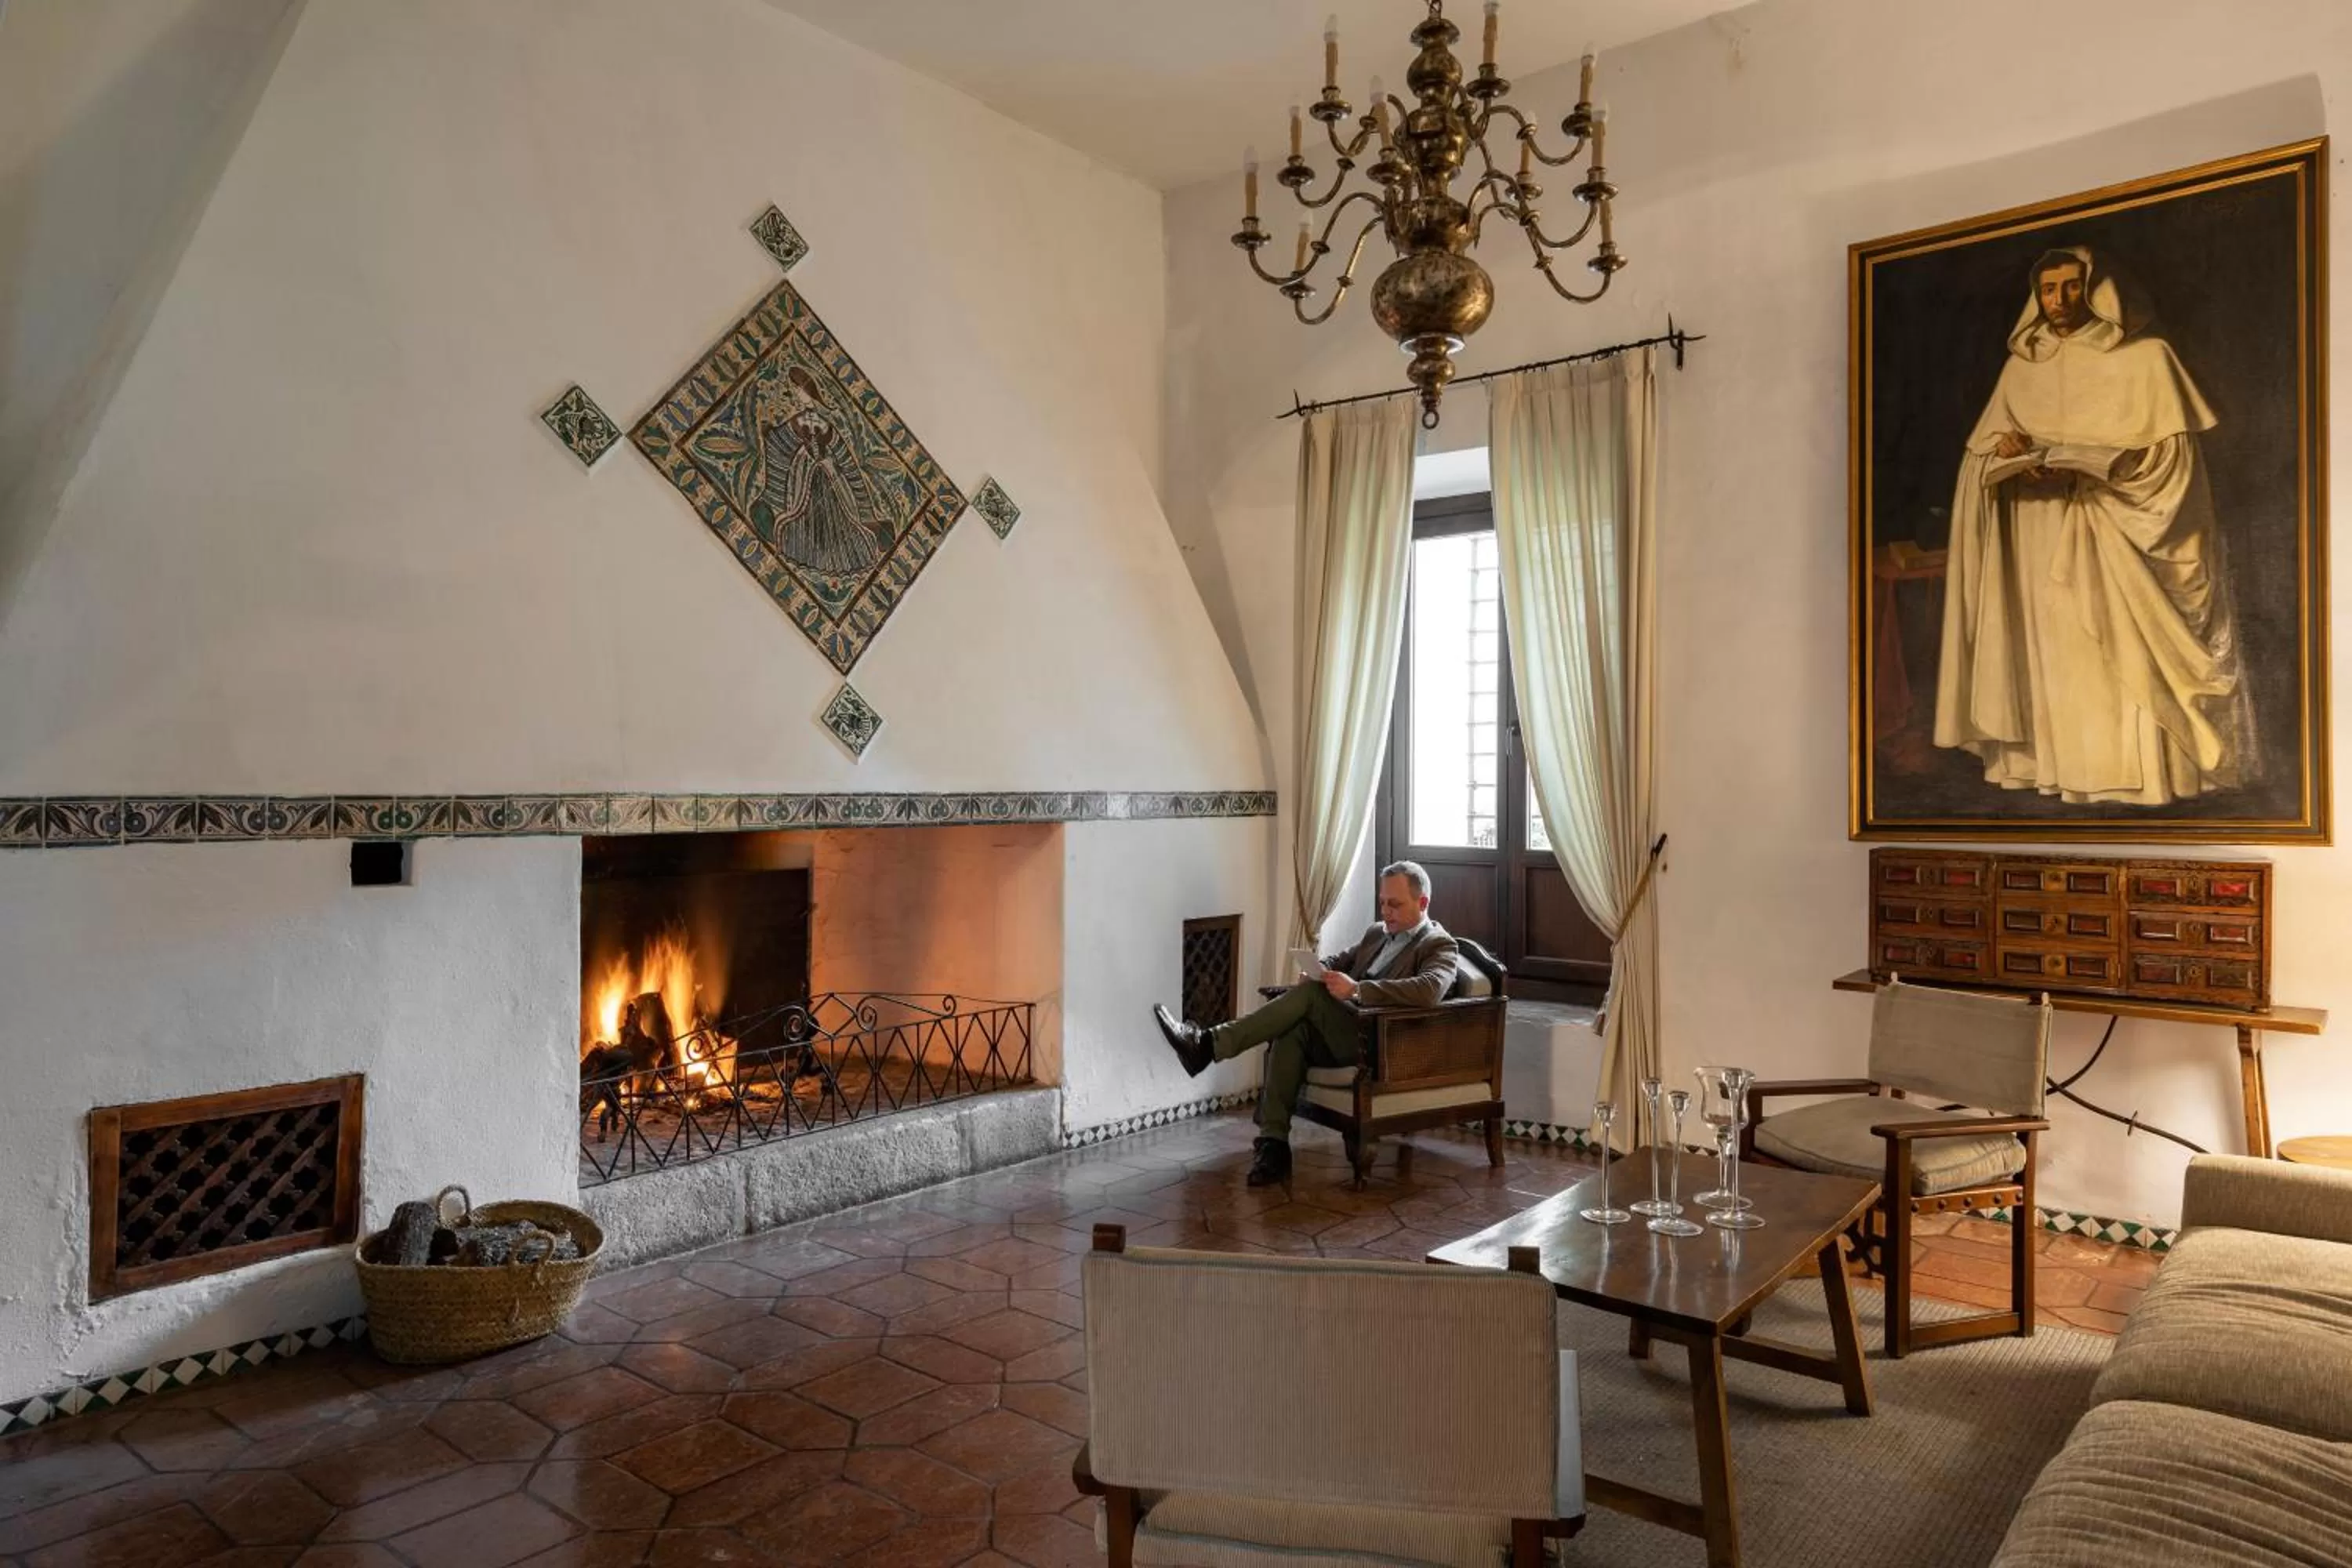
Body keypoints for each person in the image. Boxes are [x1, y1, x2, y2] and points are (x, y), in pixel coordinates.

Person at [1933, 245, 2253, 807]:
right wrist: (2002, 452)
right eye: (2049, 289)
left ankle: (2145, 779)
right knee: (2059, 659)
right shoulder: (2021, 369)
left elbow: (2175, 466)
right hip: (2039, 534)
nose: (2059, 300)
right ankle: (2062, 769)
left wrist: (2102, 471)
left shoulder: (2149, 358)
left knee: (2114, 656)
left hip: (2116, 537)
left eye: (2071, 286)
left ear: (2098, 288)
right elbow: (1982, 454)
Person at [1153, 861, 1459, 1187]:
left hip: (1380, 1042)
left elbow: (1429, 990)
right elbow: (1337, 960)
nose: (1385, 911)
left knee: (1311, 997)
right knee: (1291, 1029)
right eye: (1382, 902)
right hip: (1343, 1031)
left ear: (1422, 903)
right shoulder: (1377, 934)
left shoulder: (1439, 945)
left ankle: (1207, 1045)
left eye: (1394, 904)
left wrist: (1357, 989)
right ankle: (1274, 1147)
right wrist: (1317, 969)